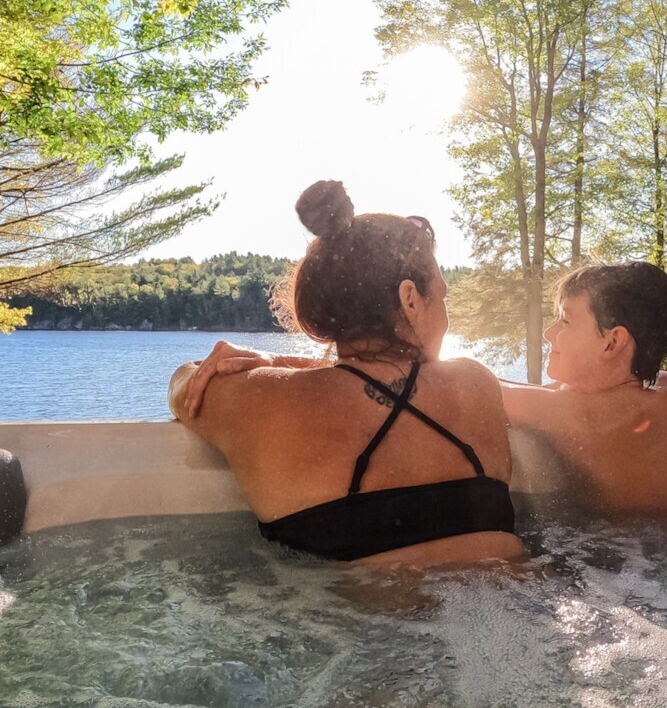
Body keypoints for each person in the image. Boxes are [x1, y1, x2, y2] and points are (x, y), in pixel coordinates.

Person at [169, 180, 523, 567]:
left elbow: (186, 383)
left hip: (359, 618)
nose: (446, 317)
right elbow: (391, 381)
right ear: (410, 300)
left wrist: (270, 364)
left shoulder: (265, 402)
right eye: (441, 297)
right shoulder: (476, 385)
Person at [502, 262, 667, 516]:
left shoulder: (598, 416)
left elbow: (480, 390)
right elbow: (553, 393)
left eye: (565, 321)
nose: (548, 333)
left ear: (612, 343)